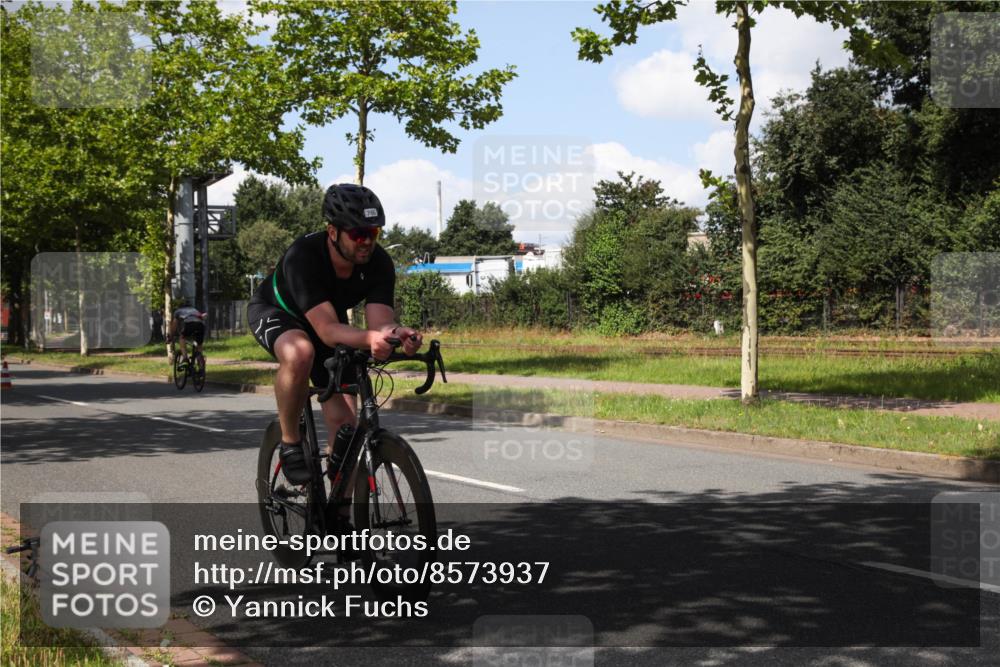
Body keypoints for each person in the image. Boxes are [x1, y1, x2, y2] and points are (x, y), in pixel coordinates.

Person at [246, 184, 422, 485]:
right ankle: (290, 444)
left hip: (326, 316)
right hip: (279, 312)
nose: (367, 241)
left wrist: (397, 334)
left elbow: (379, 323)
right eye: (357, 234)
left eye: (374, 233)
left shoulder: (379, 263)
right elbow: (327, 331)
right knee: (300, 352)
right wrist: (369, 339)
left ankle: (339, 517)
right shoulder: (303, 256)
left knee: (346, 426)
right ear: (332, 232)